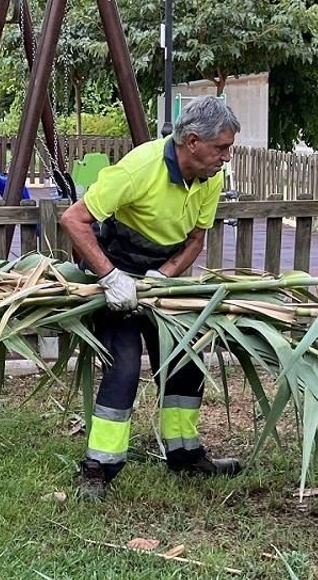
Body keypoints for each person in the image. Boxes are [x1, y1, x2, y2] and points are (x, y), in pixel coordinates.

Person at [57, 97, 244, 501]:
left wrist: (165, 275)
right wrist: (110, 277)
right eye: (221, 148)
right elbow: (73, 219)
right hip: (116, 271)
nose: (227, 157)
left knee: (185, 363)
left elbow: (196, 238)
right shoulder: (140, 168)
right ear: (193, 141)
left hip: (162, 280)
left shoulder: (211, 178)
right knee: (123, 367)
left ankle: (184, 454)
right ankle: (97, 468)